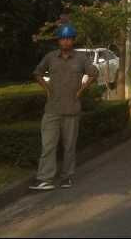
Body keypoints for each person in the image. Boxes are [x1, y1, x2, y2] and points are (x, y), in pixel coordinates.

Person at [29, 24, 97, 191]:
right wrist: (46, 89)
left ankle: (67, 176)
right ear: (58, 41)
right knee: (48, 146)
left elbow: (94, 73)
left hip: (72, 110)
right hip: (52, 109)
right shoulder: (50, 57)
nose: (65, 42)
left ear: (73, 40)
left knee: (69, 146)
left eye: (68, 39)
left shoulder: (81, 58)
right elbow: (37, 73)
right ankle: (45, 178)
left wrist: (81, 90)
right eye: (62, 39)